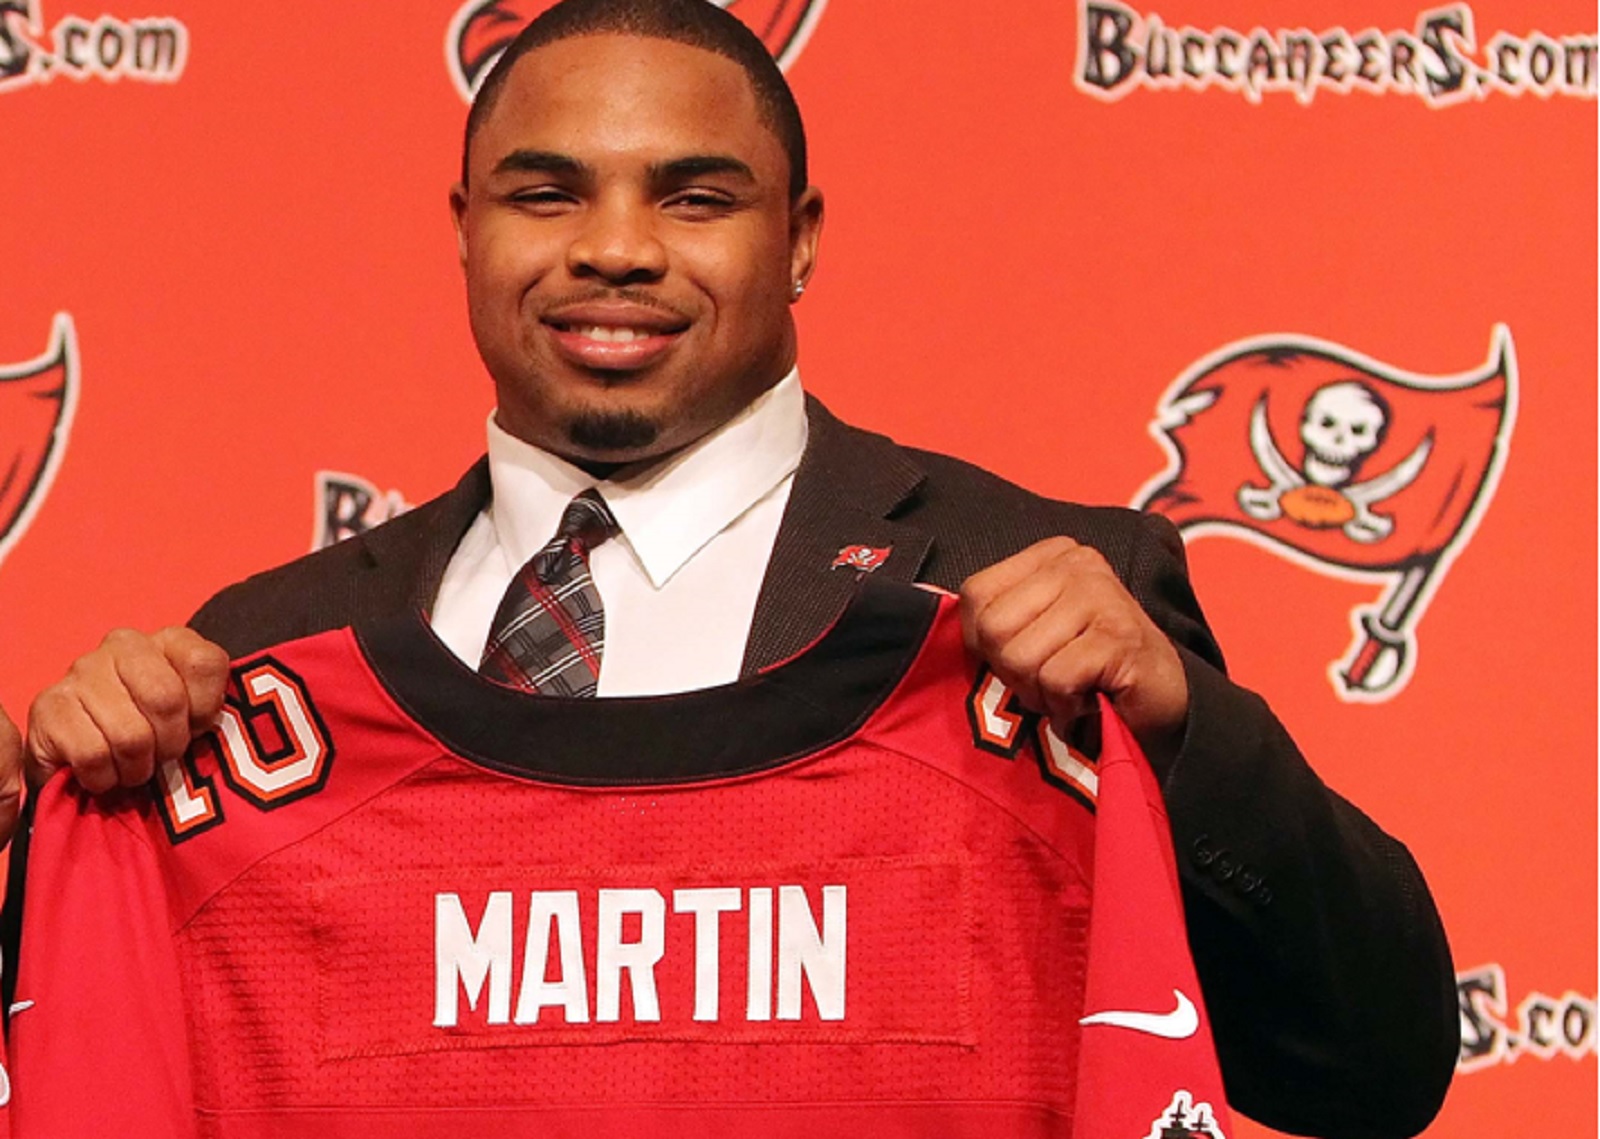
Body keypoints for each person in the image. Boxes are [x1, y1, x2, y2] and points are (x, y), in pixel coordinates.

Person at [11, 1, 1458, 1135]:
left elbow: (1373, 1066)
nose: (616, 250)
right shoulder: (266, 660)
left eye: (695, 200)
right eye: (546, 195)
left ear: (801, 239)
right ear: (463, 233)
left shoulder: (1028, 585)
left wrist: (1180, 736)